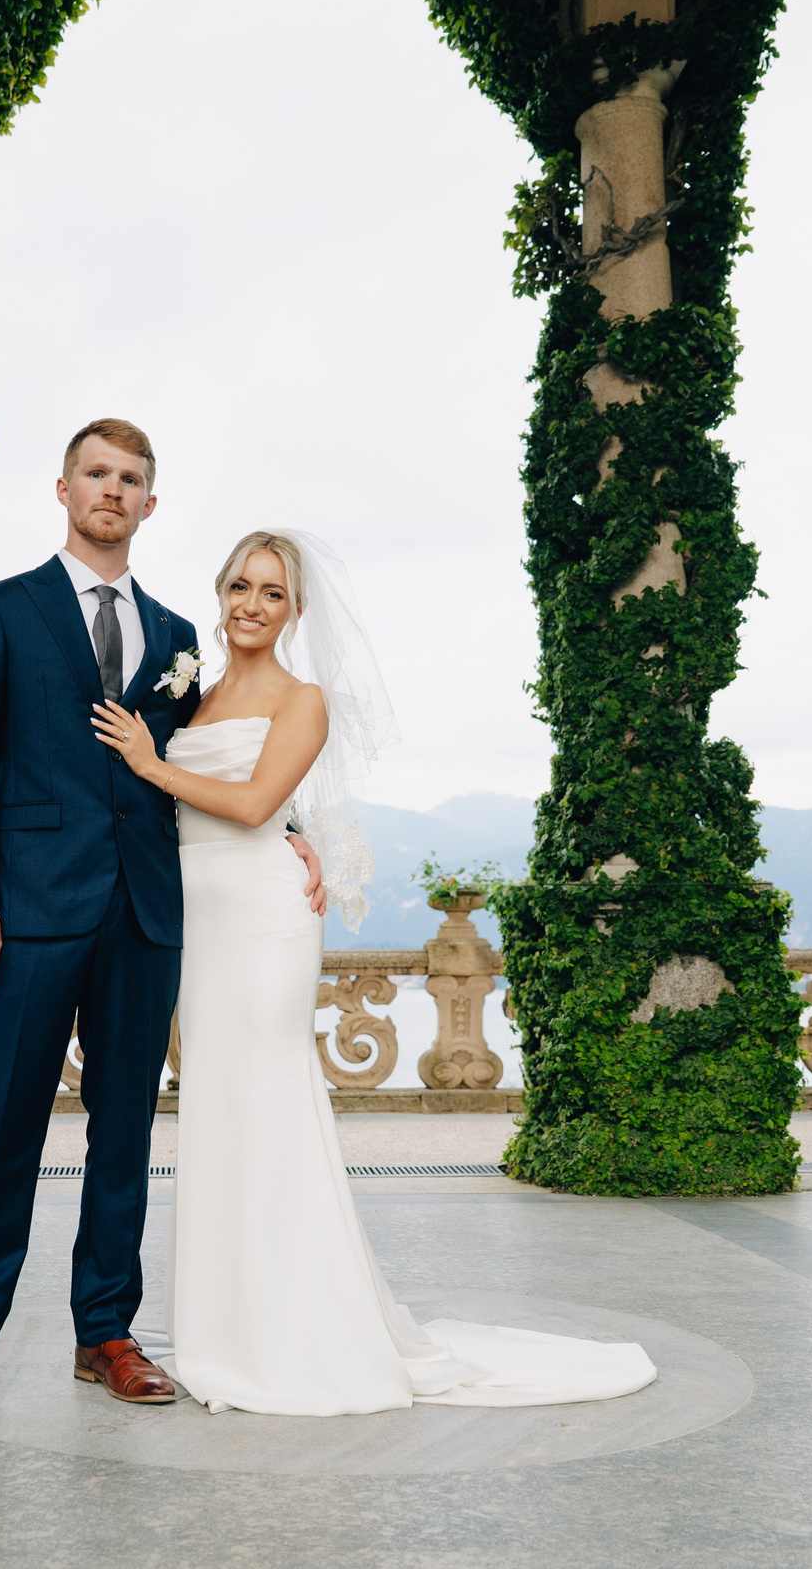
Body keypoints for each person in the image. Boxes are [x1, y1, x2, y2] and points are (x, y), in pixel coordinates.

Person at [91, 529, 659, 1414]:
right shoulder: (188, 691)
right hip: (195, 920)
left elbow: (249, 804)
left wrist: (152, 763)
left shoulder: (304, 697)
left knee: (270, 1100)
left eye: (272, 592)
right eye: (241, 584)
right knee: (217, 1110)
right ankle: (226, 1328)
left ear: (296, 611)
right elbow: (216, 811)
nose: (251, 603)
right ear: (220, 588)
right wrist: (290, 829)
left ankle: (304, 1333)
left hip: (264, 921)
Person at [0, 420, 325, 1430]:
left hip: (142, 914)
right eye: (97, 473)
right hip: (27, 916)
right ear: (64, 487)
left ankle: (106, 1333)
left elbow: (212, 756)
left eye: (131, 478)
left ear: (149, 503)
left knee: (124, 1132)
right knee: (1, 1131)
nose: (112, 490)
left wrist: (288, 828)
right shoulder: (0, 610)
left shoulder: (176, 636)